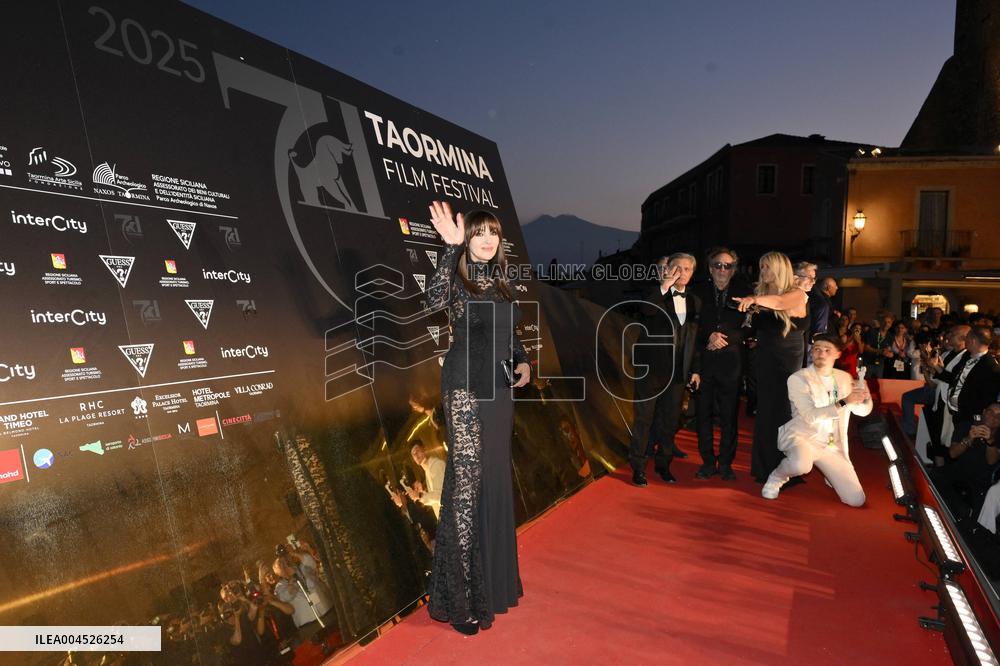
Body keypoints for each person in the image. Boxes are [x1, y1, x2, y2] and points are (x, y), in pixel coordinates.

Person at [424, 201, 531, 635]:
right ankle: (461, 599)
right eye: (478, 232)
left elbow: (512, 337)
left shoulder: (504, 284)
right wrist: (450, 250)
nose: (488, 239)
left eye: (493, 233)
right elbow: (431, 301)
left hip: (499, 394)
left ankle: (496, 583)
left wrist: (523, 362)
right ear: (466, 238)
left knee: (493, 482)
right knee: (466, 488)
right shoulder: (457, 279)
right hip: (465, 389)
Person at [761, 334, 872, 504]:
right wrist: (844, 402)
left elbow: (862, 412)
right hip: (803, 438)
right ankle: (777, 476)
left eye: (827, 350)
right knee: (801, 465)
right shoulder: (798, 379)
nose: (821, 353)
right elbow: (810, 415)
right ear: (811, 352)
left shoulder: (844, 378)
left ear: (837, 354)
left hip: (832, 445)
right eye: (817, 349)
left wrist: (865, 397)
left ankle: (831, 474)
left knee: (856, 500)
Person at [734, 251, 810, 483]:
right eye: (761, 267)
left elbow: (779, 304)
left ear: (780, 269)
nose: (763, 272)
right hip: (765, 357)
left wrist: (754, 300)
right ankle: (765, 468)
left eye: (767, 267)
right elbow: (757, 326)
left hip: (787, 359)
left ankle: (786, 470)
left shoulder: (796, 294)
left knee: (783, 411)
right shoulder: (761, 294)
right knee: (765, 411)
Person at [628, 252, 701, 486]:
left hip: (678, 373)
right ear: (668, 269)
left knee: (669, 422)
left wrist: (695, 369)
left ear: (692, 273)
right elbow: (646, 310)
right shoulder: (654, 294)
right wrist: (664, 286)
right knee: (644, 420)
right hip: (650, 369)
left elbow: (695, 339)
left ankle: (663, 466)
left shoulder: (695, 302)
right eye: (677, 267)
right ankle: (638, 467)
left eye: (687, 269)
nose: (682, 272)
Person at [692, 247, 749, 480]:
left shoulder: (744, 292)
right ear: (709, 268)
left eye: (727, 266)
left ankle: (725, 463)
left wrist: (724, 339)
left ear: (734, 269)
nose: (721, 270)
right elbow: (691, 325)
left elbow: (750, 326)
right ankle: (707, 462)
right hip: (704, 363)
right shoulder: (697, 292)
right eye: (717, 265)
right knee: (703, 415)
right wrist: (709, 336)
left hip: (731, 364)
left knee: (729, 417)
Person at [409, 441, 446, 518]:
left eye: (417, 450)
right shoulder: (428, 471)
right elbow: (434, 500)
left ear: (424, 449)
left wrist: (419, 495)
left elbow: (441, 496)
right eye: (413, 454)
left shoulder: (436, 465)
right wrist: (422, 492)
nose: (416, 455)